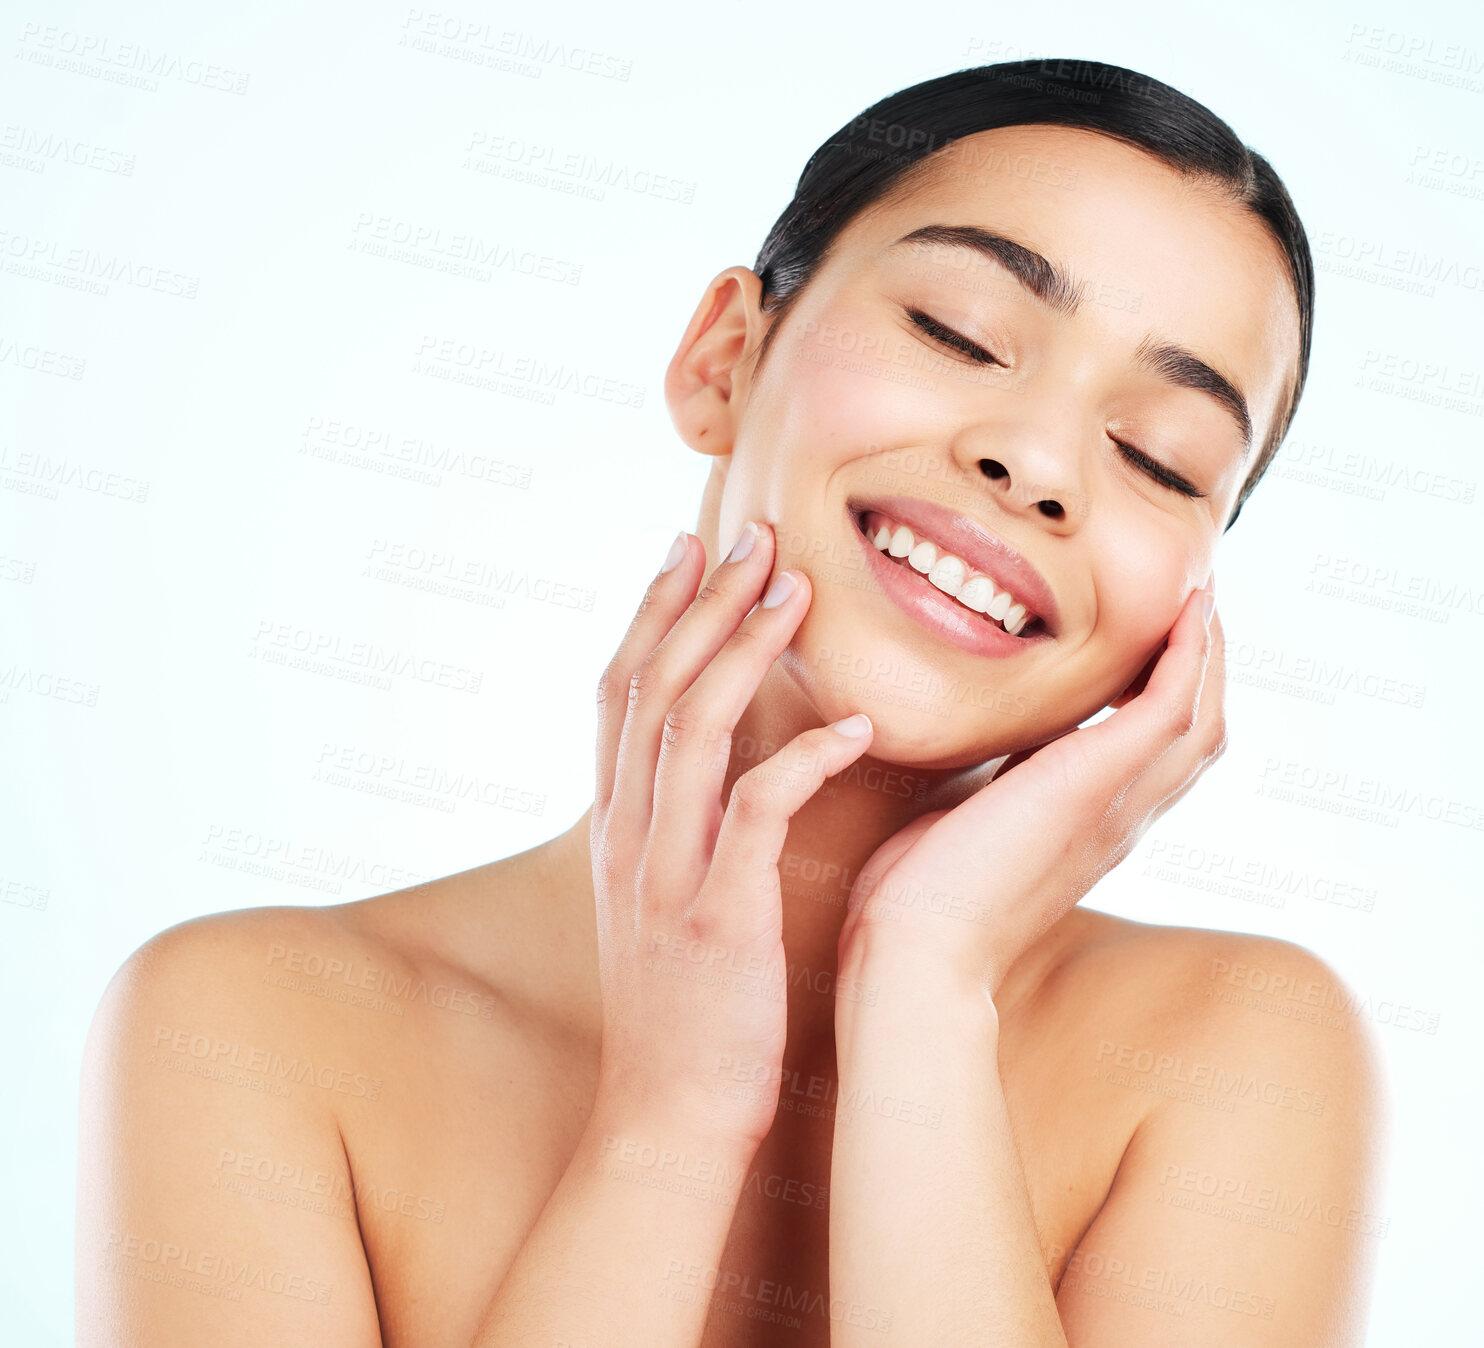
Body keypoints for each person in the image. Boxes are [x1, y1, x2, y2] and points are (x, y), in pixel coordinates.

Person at [76, 59, 1388, 1347]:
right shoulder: (252, 1028)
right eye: (959, 332)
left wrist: (924, 982)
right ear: (723, 359)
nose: (1037, 462)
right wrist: (672, 1117)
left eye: (1164, 458)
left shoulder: (1238, 1054)